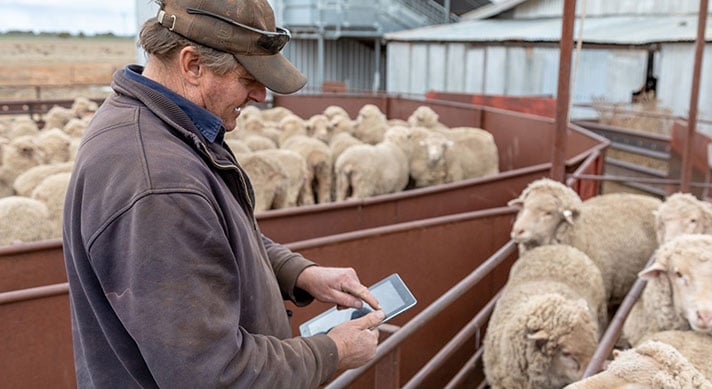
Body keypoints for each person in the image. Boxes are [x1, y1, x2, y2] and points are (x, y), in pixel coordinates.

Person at [62, 0, 385, 387]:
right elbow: (215, 375)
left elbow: (209, 236)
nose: (261, 96)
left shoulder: (168, 129)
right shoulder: (158, 184)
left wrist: (301, 274)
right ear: (193, 65)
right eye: (248, 78)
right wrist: (333, 351)